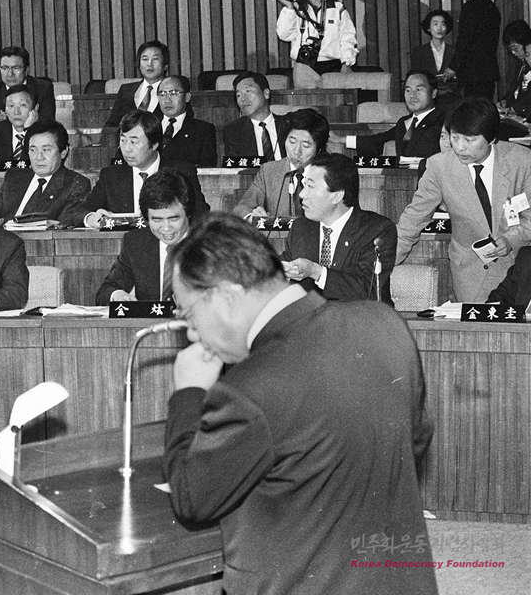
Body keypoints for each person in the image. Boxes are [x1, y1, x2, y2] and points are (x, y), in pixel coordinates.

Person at [163, 212, 436, 594]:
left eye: (190, 315)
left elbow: (193, 499)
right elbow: (414, 440)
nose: (192, 333)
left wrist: (189, 393)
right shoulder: (385, 324)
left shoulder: (248, 389)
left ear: (226, 297)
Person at [396, 98, 531, 302]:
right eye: (455, 137)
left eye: (469, 140)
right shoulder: (439, 167)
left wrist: (511, 240)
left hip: (518, 272)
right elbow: (412, 220)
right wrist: (380, 265)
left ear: (492, 138)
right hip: (470, 275)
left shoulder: (522, 161)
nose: (460, 147)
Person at [281, 153, 396, 303]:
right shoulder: (301, 228)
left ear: (337, 196)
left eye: (310, 186)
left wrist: (317, 272)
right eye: (304, 185)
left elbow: (369, 290)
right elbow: (284, 267)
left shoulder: (377, 230)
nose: (302, 194)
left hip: (360, 316)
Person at [71, 110, 208, 228]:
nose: (126, 148)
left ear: (154, 144)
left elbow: (200, 214)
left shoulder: (181, 172)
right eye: (123, 140)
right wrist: (91, 218)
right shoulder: (111, 176)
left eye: (134, 142)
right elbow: (78, 212)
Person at [95, 169, 193, 304]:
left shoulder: (209, 245)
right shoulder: (136, 243)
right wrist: (118, 295)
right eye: (157, 220)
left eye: (173, 219)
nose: (166, 228)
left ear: (188, 214)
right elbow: (105, 292)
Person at [232, 108, 329, 219]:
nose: (297, 151)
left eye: (306, 145)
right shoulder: (269, 171)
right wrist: (253, 217)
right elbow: (242, 208)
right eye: (292, 141)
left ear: (319, 149)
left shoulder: (328, 173)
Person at [275, 0, 358, 89]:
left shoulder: (337, 8)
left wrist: (347, 63)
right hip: (304, 67)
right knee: (306, 100)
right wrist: (289, 8)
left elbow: (348, 37)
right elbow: (284, 35)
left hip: (333, 66)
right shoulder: (297, 8)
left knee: (335, 100)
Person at [0, 120, 90, 222]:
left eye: (46, 150)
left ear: (63, 152)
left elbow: (70, 218)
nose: (39, 157)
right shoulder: (14, 177)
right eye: (33, 150)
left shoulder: (75, 184)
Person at [351, 70, 446, 159]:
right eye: (408, 90)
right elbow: (378, 139)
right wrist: (346, 140)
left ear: (433, 93)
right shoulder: (404, 122)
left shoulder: (444, 121)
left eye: (418, 90)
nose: (412, 95)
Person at [441, 0, 500, 100]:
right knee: (484, 108)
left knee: (472, 109)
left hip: (472, 74)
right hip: (488, 72)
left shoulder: (470, 7)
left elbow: (464, 41)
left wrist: (453, 67)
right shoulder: (492, 7)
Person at [0, 46, 55, 129]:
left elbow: (49, 122)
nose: (10, 74)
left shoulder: (43, 88)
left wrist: (29, 124)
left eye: (16, 68)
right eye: (4, 68)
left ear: (26, 70)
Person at [221, 71, 289, 161]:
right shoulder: (234, 131)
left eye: (248, 91)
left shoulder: (289, 123)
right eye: (238, 95)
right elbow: (233, 164)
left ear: (266, 93)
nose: (243, 99)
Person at [154, 75, 216, 167]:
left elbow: (207, 167)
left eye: (174, 93)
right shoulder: (147, 127)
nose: (167, 100)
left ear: (187, 97)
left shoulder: (203, 130)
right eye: (162, 94)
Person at [104, 40, 167, 127]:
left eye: (155, 59)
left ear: (165, 65)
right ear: (139, 65)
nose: (149, 64)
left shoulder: (172, 90)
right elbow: (111, 125)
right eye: (145, 59)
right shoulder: (126, 90)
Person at [410, 9, 455, 99]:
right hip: (427, 96)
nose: (439, 28)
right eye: (435, 24)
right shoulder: (419, 52)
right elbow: (416, 77)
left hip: (452, 96)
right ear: (429, 28)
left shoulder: (454, 51)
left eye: (443, 24)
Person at [499, 20, 531, 119]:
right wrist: (505, 101)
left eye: (515, 48)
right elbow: (514, 89)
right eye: (511, 50)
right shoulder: (521, 65)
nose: (513, 53)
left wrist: (514, 109)